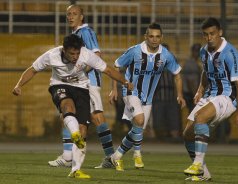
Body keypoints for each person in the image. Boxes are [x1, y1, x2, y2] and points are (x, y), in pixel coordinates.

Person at [12, 34, 133, 179]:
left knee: (83, 131)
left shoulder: (86, 54)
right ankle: (74, 134)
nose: (75, 57)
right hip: (59, 86)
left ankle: (76, 170)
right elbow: (33, 69)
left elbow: (107, 69)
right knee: (67, 107)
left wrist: (125, 82)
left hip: (82, 89)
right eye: (72, 53)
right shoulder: (52, 55)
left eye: (77, 53)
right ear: (64, 50)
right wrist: (19, 85)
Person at [108, 23, 186, 171]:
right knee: (140, 120)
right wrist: (114, 90)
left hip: (148, 97)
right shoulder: (135, 51)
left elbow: (177, 75)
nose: (154, 39)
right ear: (146, 37)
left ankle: (116, 156)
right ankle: (137, 153)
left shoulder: (166, 55)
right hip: (131, 92)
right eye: (151, 36)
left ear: (161, 38)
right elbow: (117, 66)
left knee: (138, 129)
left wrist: (180, 95)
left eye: (157, 36)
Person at [48, 4, 115, 169]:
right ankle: (70, 156)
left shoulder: (85, 32)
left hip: (88, 82)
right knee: (72, 114)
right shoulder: (76, 34)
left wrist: (79, 74)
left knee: (93, 117)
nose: (71, 17)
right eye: (68, 14)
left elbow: (97, 55)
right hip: (82, 83)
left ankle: (109, 157)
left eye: (74, 14)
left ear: (82, 16)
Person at [182, 17, 238, 182]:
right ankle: (203, 173)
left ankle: (197, 165)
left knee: (200, 117)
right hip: (211, 93)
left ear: (220, 32)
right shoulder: (204, 51)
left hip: (228, 96)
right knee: (187, 134)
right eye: (205, 34)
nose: (209, 37)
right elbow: (206, 72)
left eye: (212, 34)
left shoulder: (231, 53)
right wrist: (199, 90)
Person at [152, 43, 182, 140]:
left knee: (174, 123)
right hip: (158, 98)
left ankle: (175, 146)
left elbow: (178, 78)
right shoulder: (153, 62)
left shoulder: (172, 62)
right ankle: (160, 144)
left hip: (171, 98)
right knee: (158, 124)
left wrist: (179, 95)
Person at [182, 43, 202, 112]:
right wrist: (195, 96)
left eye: (198, 51)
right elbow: (190, 82)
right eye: (196, 51)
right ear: (192, 51)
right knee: (193, 116)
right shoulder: (190, 63)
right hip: (190, 94)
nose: (197, 53)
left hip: (192, 93)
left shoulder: (195, 63)